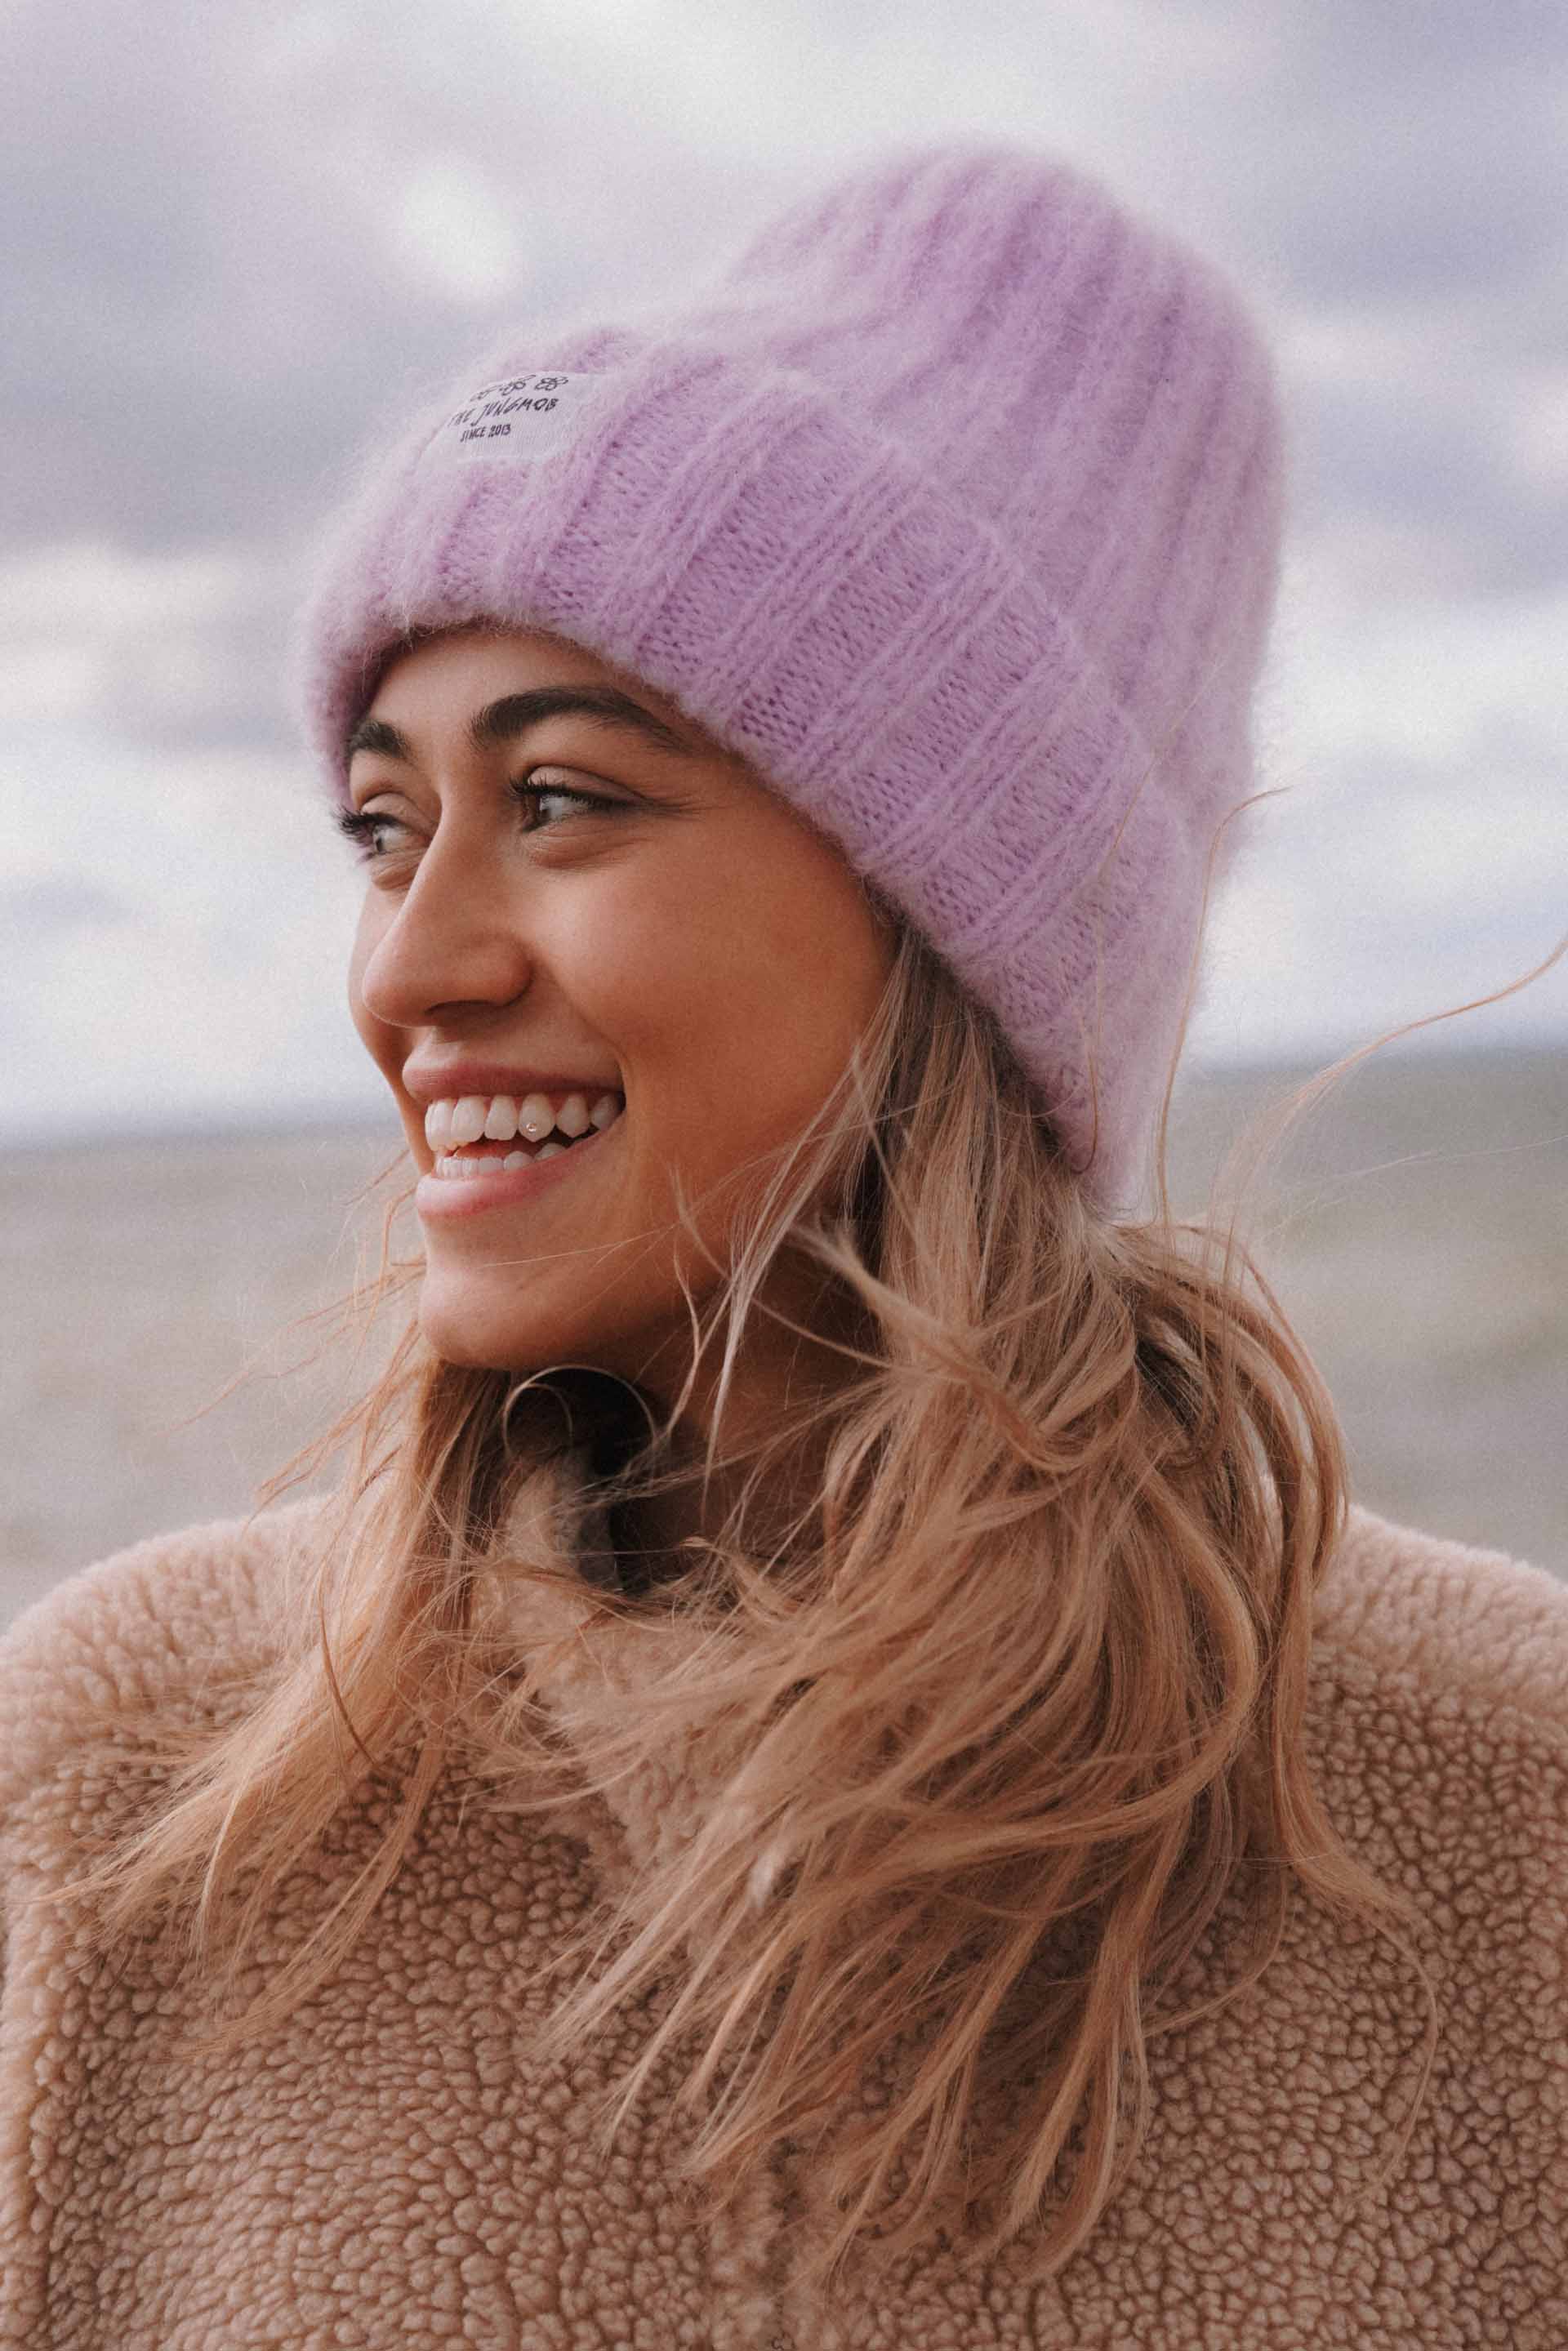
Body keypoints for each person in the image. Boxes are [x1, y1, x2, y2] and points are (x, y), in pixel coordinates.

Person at [2, 145, 1564, 2350]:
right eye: (383, 827)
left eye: (561, 801)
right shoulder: (126, 1788)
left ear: (961, 923)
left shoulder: (1497, 1817)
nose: (409, 969)